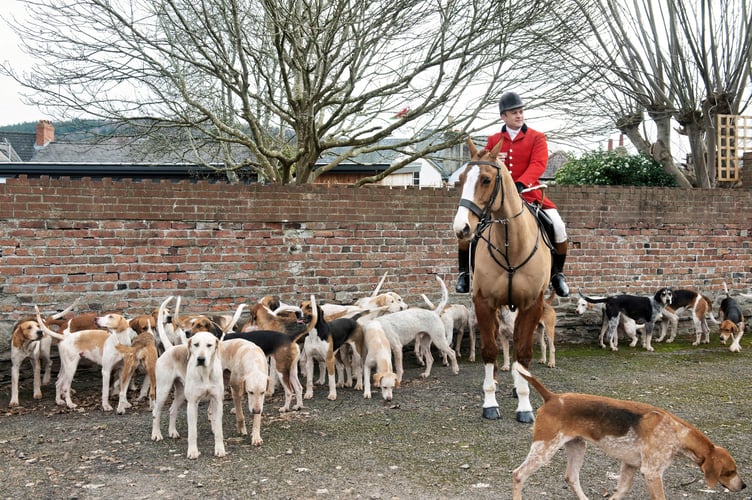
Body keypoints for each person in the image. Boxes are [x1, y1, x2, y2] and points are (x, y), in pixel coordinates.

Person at [455, 91, 570, 297]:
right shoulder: (494, 139)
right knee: (468, 227)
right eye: (514, 113)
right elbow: (481, 163)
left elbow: (539, 163)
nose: (519, 115)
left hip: (529, 194)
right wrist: (490, 156)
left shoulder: (537, 137)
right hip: (497, 200)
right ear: (503, 117)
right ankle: (464, 273)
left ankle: (557, 275)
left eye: (521, 111)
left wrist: (520, 183)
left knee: (559, 226)